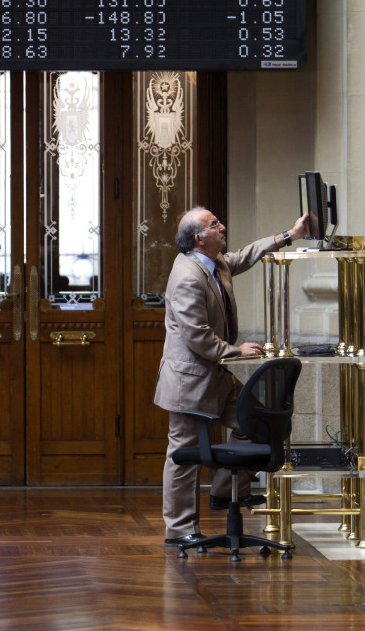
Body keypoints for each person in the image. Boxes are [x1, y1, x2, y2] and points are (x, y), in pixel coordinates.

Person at [154, 206, 309, 547]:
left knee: (259, 424)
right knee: (183, 452)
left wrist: (290, 235)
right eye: (214, 225)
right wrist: (237, 351)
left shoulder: (215, 262)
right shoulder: (186, 276)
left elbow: (245, 256)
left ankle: (226, 493)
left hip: (215, 375)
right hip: (189, 380)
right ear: (199, 238)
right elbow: (197, 336)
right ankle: (179, 531)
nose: (222, 227)